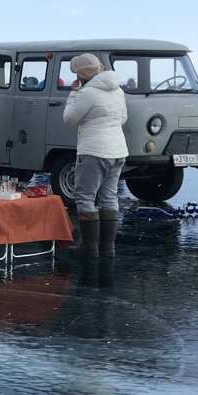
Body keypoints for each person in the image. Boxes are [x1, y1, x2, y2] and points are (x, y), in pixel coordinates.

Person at [62, 52, 128, 258]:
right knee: (109, 197)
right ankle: (108, 248)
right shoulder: (118, 90)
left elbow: (69, 119)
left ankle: (89, 248)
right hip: (118, 151)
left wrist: (73, 95)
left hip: (93, 151)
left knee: (85, 197)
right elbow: (123, 118)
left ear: (81, 75)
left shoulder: (87, 93)